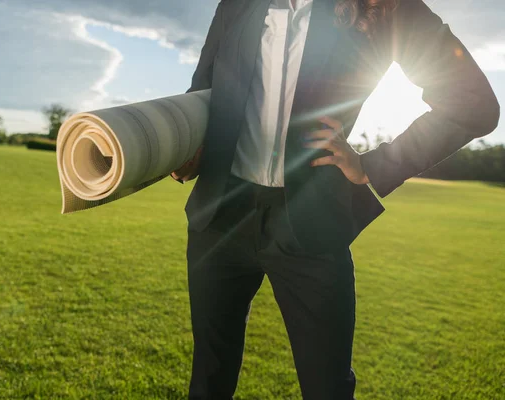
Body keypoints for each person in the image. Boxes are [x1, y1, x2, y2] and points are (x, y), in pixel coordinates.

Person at [171, 0, 500, 398]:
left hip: (311, 228)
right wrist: (183, 146)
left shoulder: (386, 9)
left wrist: (376, 165)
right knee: (208, 381)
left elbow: (474, 103)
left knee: (328, 388)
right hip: (219, 218)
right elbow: (202, 92)